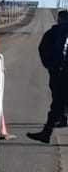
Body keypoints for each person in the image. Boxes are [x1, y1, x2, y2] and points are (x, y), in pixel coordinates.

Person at [27, 11, 68, 143]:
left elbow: (45, 49)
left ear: (61, 19)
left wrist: (53, 67)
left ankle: (46, 133)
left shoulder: (57, 32)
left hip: (60, 75)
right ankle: (46, 133)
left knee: (57, 105)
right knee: (58, 106)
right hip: (61, 73)